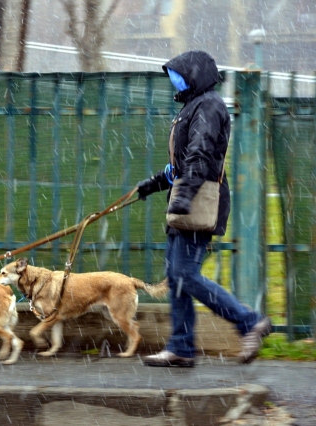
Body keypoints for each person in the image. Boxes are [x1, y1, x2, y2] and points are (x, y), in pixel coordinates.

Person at [136, 50, 271, 367]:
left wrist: (184, 196)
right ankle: (181, 347)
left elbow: (201, 154)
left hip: (197, 200)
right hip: (185, 197)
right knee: (176, 276)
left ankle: (249, 321)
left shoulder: (209, 105)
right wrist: (157, 182)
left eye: (180, 77)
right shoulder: (192, 107)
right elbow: (182, 163)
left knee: (184, 273)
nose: (176, 83)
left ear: (194, 77)